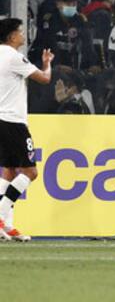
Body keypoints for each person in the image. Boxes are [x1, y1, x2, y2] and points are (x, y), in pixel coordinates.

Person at [0, 17, 55, 241]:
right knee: (31, 172)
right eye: (20, 32)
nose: (23, 35)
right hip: (13, 122)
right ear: (12, 36)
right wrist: (47, 62)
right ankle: (2, 213)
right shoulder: (13, 56)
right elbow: (44, 79)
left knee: (9, 172)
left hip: (1, 120)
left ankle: (7, 227)